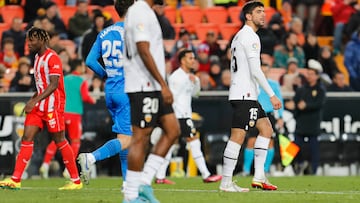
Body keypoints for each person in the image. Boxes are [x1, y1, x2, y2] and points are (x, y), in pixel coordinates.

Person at [0, 26, 82, 190]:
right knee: (27, 138)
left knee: (60, 140)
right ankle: (16, 179)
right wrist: (33, 100)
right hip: (39, 105)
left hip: (54, 105)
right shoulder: (37, 58)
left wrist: (33, 101)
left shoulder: (53, 58)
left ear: (42, 40)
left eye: (32, 40)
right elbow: (41, 85)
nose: (28, 43)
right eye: (27, 40)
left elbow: (53, 85)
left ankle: (75, 181)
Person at [219, 1, 282, 192]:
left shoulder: (239, 36)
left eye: (264, 11)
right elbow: (256, 69)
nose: (263, 15)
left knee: (266, 129)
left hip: (244, 93)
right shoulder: (251, 37)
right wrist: (272, 95)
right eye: (258, 12)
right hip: (245, 94)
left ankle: (259, 176)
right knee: (238, 136)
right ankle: (226, 182)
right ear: (248, 16)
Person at [123, 0, 181, 202]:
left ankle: (144, 182)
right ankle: (130, 195)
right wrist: (162, 83)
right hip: (143, 85)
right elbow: (142, 48)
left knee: (173, 130)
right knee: (141, 137)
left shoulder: (146, 11)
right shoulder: (139, 11)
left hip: (153, 85)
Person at [78, 0, 134, 187]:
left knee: (125, 137)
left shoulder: (105, 33)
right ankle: (91, 158)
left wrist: (106, 75)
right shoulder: (133, 32)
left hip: (110, 89)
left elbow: (90, 61)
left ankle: (127, 183)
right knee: (127, 139)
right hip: (127, 90)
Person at [154, 49, 222, 184]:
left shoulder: (190, 76)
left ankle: (160, 176)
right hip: (179, 116)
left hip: (183, 115)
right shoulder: (176, 77)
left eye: (193, 58)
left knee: (170, 144)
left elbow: (195, 94)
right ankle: (206, 174)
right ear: (182, 61)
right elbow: (170, 98)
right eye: (190, 58)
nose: (193, 60)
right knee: (194, 142)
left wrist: (195, 82)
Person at [39, 58, 96, 179]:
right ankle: (68, 170)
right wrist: (93, 100)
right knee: (75, 142)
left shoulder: (63, 80)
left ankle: (45, 164)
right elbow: (85, 97)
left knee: (57, 140)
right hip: (75, 115)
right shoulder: (82, 81)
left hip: (62, 113)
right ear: (78, 67)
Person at [242, 62, 284, 176]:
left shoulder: (274, 84)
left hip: (269, 114)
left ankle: (265, 170)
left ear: (269, 71)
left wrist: (280, 117)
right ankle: (246, 170)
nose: (264, 73)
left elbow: (279, 99)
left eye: (266, 71)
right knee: (251, 141)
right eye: (262, 71)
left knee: (270, 143)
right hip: (255, 113)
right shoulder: (253, 83)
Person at [285, 59, 326, 175]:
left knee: (314, 149)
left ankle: (314, 169)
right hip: (301, 123)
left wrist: (306, 105)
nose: (309, 76)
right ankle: (298, 165)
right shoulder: (301, 89)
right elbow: (295, 103)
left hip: (313, 123)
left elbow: (319, 104)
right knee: (296, 146)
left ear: (317, 76)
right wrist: (294, 105)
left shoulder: (320, 90)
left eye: (312, 74)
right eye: (308, 73)